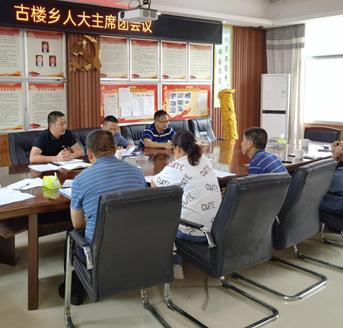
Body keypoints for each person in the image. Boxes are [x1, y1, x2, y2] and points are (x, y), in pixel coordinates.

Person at [59, 129, 146, 305]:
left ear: (89, 153)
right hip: (136, 244)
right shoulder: (137, 173)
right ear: (115, 148)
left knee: (71, 233)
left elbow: (77, 224)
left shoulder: (81, 180)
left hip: (99, 251)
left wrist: (95, 219)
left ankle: (75, 290)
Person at [152, 131, 221, 280]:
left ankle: (175, 265)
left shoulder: (176, 166)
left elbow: (154, 185)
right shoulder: (204, 160)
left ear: (177, 148)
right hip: (216, 229)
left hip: (194, 233)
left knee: (163, 217)